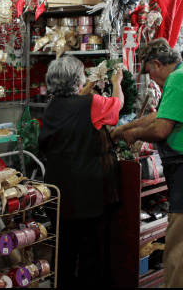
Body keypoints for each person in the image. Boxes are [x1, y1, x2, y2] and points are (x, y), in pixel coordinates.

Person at [111, 38, 183, 288]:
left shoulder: (178, 78)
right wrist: (127, 127)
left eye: (149, 73)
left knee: (182, 245)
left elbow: (161, 129)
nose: (151, 79)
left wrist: (132, 135)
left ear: (157, 63)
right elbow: (161, 115)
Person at [38, 56, 124, 287]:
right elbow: (117, 107)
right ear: (77, 79)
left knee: (63, 252)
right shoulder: (91, 104)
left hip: (57, 189)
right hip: (87, 191)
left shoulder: (52, 106)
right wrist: (117, 82)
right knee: (91, 254)